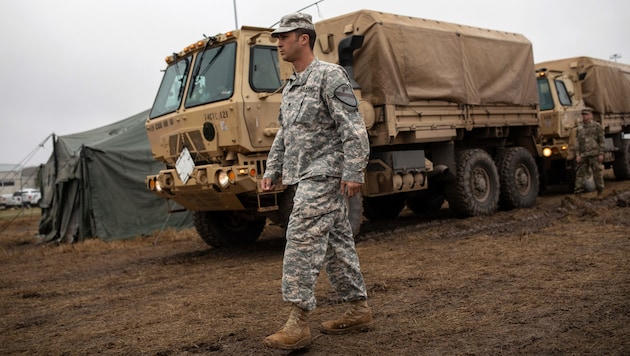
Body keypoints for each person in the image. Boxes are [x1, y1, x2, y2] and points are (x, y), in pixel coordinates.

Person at [260, 12, 373, 350]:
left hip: (324, 173)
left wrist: (353, 171)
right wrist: (272, 169)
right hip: (303, 173)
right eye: (278, 38)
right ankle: (358, 309)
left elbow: (353, 127)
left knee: (301, 239)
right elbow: (285, 132)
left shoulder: (329, 75)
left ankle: (297, 322)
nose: (278, 43)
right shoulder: (293, 85)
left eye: (284, 37)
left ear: (303, 38)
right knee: (337, 244)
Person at [573, 107, 605, 196]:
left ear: (591, 115)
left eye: (586, 114)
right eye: (583, 115)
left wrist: (601, 153)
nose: (585, 116)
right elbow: (577, 143)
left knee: (597, 173)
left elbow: (601, 141)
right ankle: (578, 193)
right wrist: (578, 155)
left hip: (594, 154)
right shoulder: (579, 128)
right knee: (580, 174)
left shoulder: (597, 126)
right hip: (583, 155)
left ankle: (600, 191)